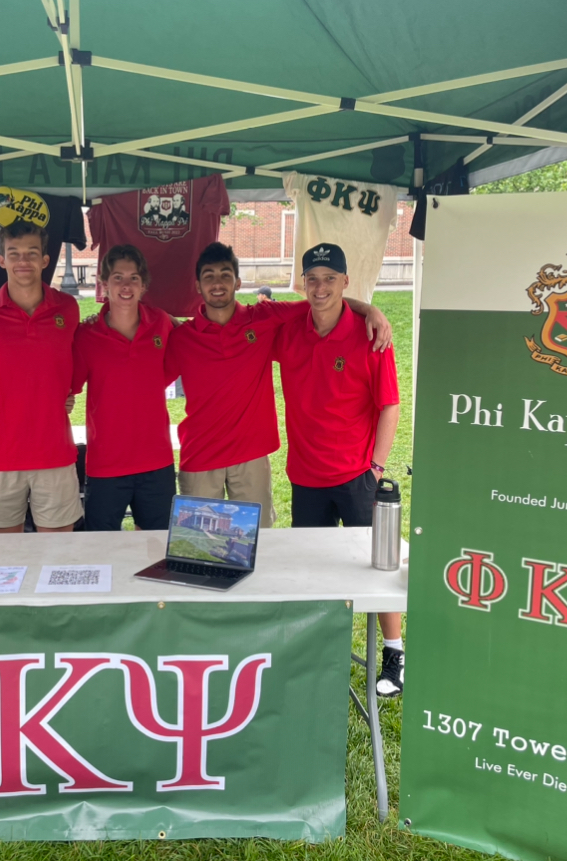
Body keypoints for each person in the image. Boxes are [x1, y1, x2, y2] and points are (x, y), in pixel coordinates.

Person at [166, 242, 391, 526]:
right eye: (208, 276)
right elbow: (149, 380)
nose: (217, 283)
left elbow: (321, 301)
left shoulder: (262, 319)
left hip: (251, 458)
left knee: (256, 546)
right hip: (200, 457)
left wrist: (370, 309)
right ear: (197, 285)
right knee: (197, 550)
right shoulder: (182, 337)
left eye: (225, 274)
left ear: (238, 282)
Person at [275, 243, 404, 697]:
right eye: (313, 278)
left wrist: (375, 466)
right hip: (305, 474)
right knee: (311, 570)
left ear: (346, 282)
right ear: (303, 283)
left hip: (355, 475)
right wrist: (368, 305)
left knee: (379, 569)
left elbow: (389, 405)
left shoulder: (371, 336)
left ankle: (394, 652)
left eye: (330, 278)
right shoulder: (289, 327)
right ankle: (317, 649)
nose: (321, 287)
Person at [0, 221, 81, 533]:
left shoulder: (68, 309)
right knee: (2, 564)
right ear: (1, 260)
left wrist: (65, 393)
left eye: (32, 253)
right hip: (0, 454)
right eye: (14, 253)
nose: (23, 261)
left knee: (57, 560)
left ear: (45, 260)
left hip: (54, 452)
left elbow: (73, 363)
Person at [72, 245, 177, 530]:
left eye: (133, 278)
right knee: (101, 551)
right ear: (104, 284)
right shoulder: (86, 335)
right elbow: (67, 388)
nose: (126, 285)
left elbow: (182, 357)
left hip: (156, 461)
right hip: (106, 465)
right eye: (118, 277)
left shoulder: (162, 324)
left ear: (144, 286)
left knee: (156, 549)